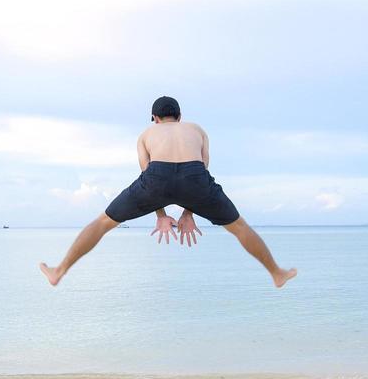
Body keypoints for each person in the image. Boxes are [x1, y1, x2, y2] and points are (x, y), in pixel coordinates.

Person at [38, 97, 298, 288]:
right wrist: (189, 211)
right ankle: (276, 273)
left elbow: (147, 173)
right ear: (180, 116)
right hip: (195, 177)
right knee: (240, 227)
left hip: (156, 177)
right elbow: (202, 169)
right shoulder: (197, 130)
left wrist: (160, 214)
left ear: (155, 118)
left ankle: (59, 271)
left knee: (103, 223)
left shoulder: (146, 134)